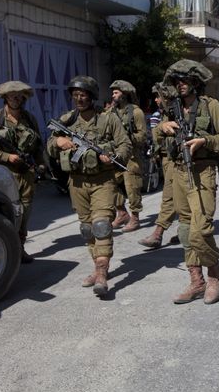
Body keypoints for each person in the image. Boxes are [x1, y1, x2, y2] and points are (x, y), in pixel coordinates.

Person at [157, 60, 219, 305]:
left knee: (201, 229)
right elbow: (155, 135)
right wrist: (163, 126)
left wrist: (205, 141)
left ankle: (214, 275)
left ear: (196, 83)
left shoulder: (210, 106)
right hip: (178, 171)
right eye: (176, 81)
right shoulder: (172, 108)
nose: (180, 85)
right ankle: (196, 281)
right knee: (184, 229)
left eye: (184, 80)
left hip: (202, 171)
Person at [47, 76, 131, 297]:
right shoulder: (66, 121)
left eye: (83, 94)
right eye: (75, 95)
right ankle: (97, 266)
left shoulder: (107, 120)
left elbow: (125, 144)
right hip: (76, 182)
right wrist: (58, 142)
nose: (79, 98)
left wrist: (113, 155)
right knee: (87, 229)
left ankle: (102, 274)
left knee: (102, 224)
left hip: (103, 181)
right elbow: (49, 146)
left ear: (91, 96)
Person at [0, 81, 45, 264]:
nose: (16, 98)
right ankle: (4, 250)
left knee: (25, 213)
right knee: (6, 213)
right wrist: (8, 157)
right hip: (4, 175)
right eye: (12, 95)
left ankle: (19, 248)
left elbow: (39, 147)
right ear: (5, 97)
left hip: (26, 175)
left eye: (19, 95)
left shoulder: (30, 119)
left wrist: (41, 165)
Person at [139, 83, 179, 249]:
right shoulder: (161, 115)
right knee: (174, 196)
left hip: (179, 159)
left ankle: (158, 233)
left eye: (158, 97)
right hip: (166, 158)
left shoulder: (179, 113)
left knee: (170, 197)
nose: (156, 100)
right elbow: (155, 136)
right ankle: (185, 229)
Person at [108, 80, 147, 233]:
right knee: (109, 183)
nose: (113, 95)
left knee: (132, 187)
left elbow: (143, 136)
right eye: (113, 93)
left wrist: (128, 138)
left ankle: (135, 217)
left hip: (131, 156)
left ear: (124, 94)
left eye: (116, 92)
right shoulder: (111, 112)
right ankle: (122, 213)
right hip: (115, 155)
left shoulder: (136, 112)